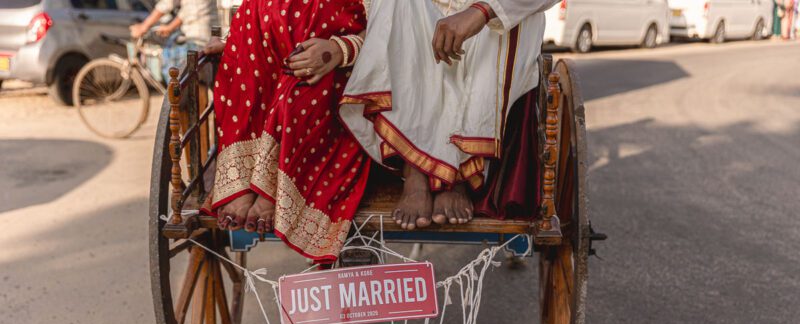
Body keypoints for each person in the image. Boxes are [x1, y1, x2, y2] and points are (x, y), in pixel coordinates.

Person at [340, 0, 558, 229]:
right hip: (429, 19)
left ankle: (458, 176)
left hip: (495, 19)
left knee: (510, 23)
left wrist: (480, 12)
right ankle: (414, 171)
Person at [204, 0, 371, 262]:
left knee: (303, 83)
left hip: (337, 47)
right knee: (245, 62)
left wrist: (342, 48)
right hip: (268, 31)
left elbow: (393, 19)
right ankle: (245, 180)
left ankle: (273, 185)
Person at [130, 0, 219, 80]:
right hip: (208, 37)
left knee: (174, 74)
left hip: (196, 38)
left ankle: (175, 95)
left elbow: (172, 5)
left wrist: (144, 26)